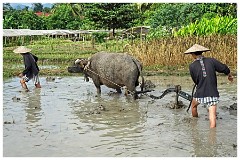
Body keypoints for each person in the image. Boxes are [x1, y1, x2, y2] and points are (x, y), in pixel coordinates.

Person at [184, 44, 233, 128]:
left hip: (200, 93)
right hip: (212, 93)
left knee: (194, 106)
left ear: (193, 54)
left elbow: (195, 80)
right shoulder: (212, 61)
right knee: (212, 116)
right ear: (202, 52)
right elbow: (224, 68)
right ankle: (212, 137)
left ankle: (194, 125)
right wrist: (229, 74)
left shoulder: (192, 66)